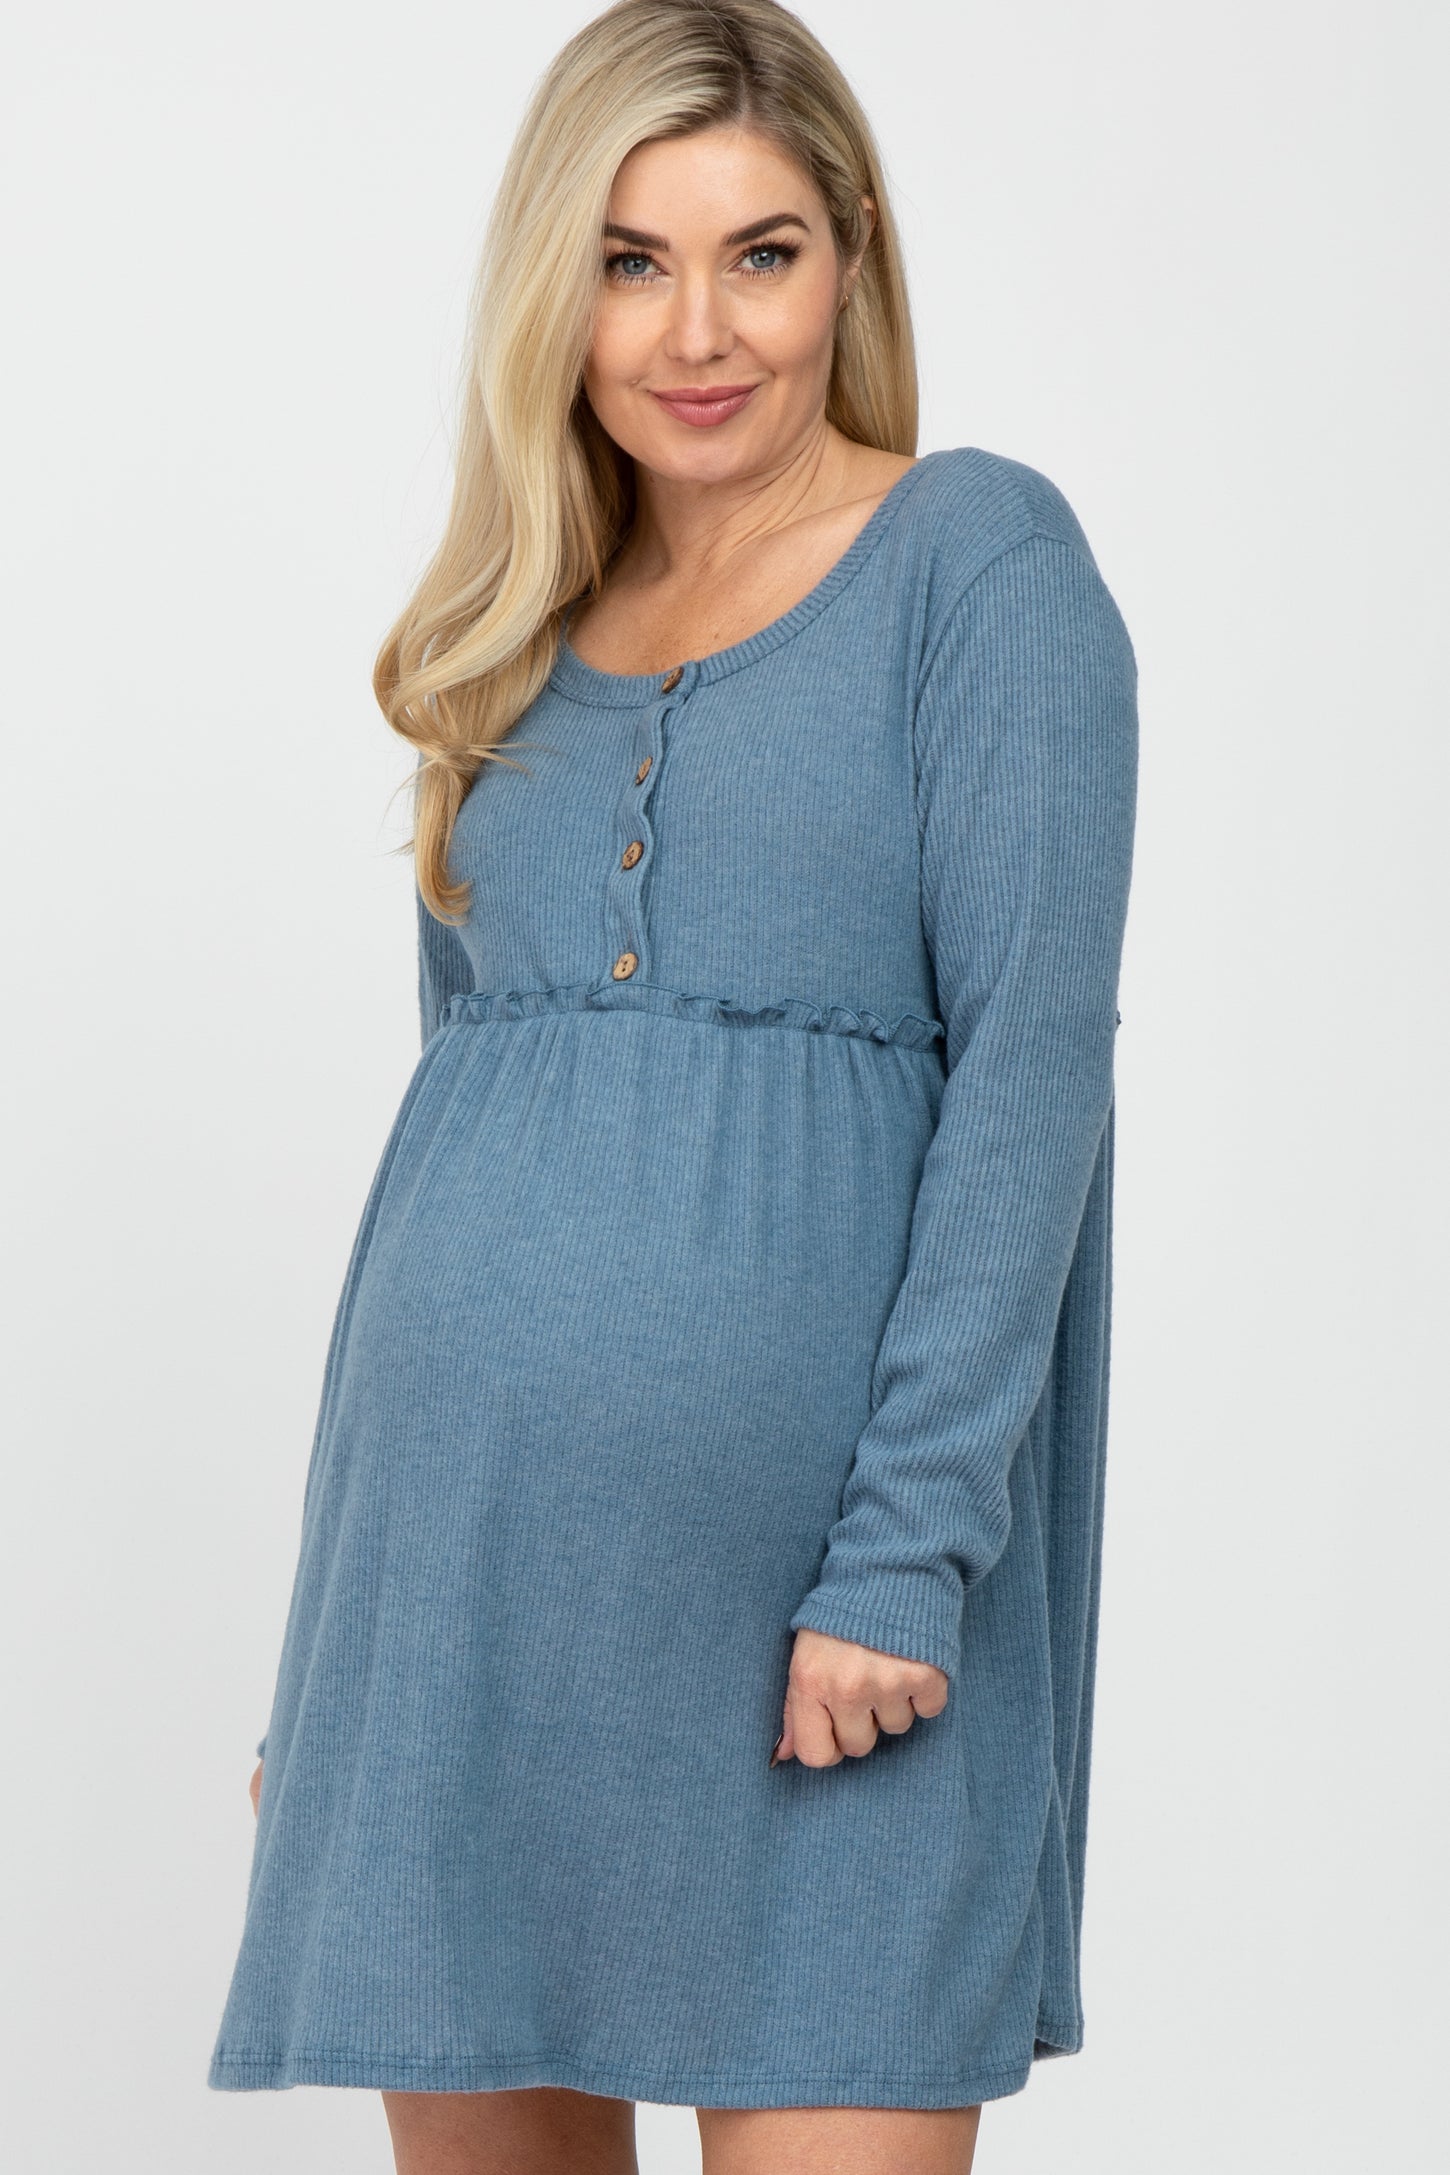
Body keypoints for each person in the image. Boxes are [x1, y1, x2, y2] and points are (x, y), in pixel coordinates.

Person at [206, 3, 1139, 2170]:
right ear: (555, 288)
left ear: (851, 255)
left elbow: (1029, 1087)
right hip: (454, 1604)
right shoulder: (507, 633)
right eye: (630, 262)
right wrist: (337, 1662)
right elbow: (460, 1147)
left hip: (824, 1627)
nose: (695, 331)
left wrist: (902, 1560)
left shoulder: (978, 564)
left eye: (760, 254)